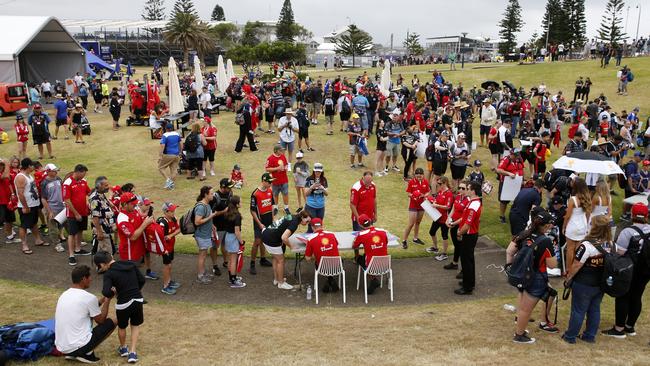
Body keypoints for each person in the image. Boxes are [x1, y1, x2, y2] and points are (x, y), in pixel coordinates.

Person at [506, 209, 558, 344]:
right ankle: (519, 335)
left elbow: (509, 251)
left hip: (522, 274)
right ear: (546, 226)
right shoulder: (546, 241)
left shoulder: (524, 234)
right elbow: (552, 265)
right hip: (536, 277)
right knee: (526, 309)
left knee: (523, 306)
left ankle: (520, 329)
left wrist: (510, 267)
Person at [601, 203, 650, 338]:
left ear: (632, 214)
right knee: (637, 296)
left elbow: (620, 252)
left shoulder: (627, 231)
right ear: (646, 216)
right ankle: (630, 326)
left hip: (629, 268)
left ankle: (619, 329)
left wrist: (611, 245)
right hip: (646, 270)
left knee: (623, 295)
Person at [562, 215, 610, 344]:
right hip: (600, 284)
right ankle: (589, 336)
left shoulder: (587, 245)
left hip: (583, 283)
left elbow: (576, 265)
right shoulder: (611, 244)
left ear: (594, 227)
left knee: (578, 310)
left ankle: (570, 336)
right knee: (595, 309)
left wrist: (568, 278)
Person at [54, 265, 116, 363]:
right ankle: (86, 353)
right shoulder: (88, 298)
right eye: (89, 277)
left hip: (62, 347)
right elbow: (101, 321)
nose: (91, 279)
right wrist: (108, 300)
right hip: (77, 346)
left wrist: (103, 299)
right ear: (83, 279)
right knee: (114, 320)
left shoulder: (64, 294)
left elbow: (89, 307)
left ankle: (74, 354)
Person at [94, 251, 145, 363]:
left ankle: (123, 348)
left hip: (123, 303)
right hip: (137, 299)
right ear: (111, 257)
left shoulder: (109, 273)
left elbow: (106, 292)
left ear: (102, 264)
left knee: (122, 326)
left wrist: (114, 292)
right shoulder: (130, 264)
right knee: (135, 325)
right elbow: (142, 280)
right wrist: (136, 290)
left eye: (99, 266)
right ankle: (133, 352)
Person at [260, 210, 311, 290]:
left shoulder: (291, 216)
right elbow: (284, 238)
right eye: (307, 221)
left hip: (265, 234)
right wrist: (292, 246)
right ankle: (281, 283)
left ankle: (276, 279)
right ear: (302, 217)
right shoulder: (294, 223)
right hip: (271, 239)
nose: (307, 223)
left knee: (275, 258)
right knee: (281, 260)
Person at [455, 181, 483, 295]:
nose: (465, 190)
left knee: (467, 261)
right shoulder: (472, 202)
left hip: (469, 235)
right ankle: (469, 281)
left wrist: (459, 233)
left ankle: (468, 287)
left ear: (473, 191)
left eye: (468, 188)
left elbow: (467, 224)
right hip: (469, 234)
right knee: (468, 259)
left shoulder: (473, 205)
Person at [14, 158, 47, 255]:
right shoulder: (21, 177)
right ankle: (24, 245)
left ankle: (38, 240)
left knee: (34, 223)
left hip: (33, 204)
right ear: (28, 166)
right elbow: (20, 194)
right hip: (26, 205)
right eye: (32, 165)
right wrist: (25, 206)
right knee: (24, 225)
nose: (34, 167)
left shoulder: (28, 176)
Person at [353, 214, 388, 294]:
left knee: (358, 258)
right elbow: (386, 243)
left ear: (360, 224)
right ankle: (374, 280)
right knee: (368, 256)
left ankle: (373, 279)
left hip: (371, 264)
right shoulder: (382, 232)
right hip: (385, 264)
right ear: (370, 221)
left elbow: (354, 246)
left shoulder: (361, 234)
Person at [63, 164, 91, 266]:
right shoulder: (68, 183)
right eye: (83, 173)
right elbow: (67, 200)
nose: (84, 176)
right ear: (78, 172)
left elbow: (88, 192)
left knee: (80, 230)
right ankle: (71, 255)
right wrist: (76, 213)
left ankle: (78, 249)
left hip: (83, 211)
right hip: (72, 214)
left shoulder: (83, 181)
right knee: (72, 233)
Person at [562, 177, 591, 271]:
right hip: (582, 226)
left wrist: (564, 226)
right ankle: (576, 269)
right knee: (578, 249)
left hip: (572, 226)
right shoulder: (587, 197)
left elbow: (568, 216)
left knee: (570, 249)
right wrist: (586, 225)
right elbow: (588, 214)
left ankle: (568, 270)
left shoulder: (573, 199)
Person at [305, 218, 340, 292]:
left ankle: (329, 280)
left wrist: (316, 253)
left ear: (312, 227)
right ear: (322, 225)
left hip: (321, 268)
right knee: (332, 261)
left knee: (320, 262)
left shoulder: (310, 239)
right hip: (337, 266)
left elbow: (307, 258)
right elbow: (336, 245)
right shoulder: (331, 234)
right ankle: (330, 279)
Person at [249, 173, 275, 274]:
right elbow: (252, 210)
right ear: (264, 181)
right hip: (259, 221)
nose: (271, 183)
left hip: (268, 220)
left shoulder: (270, 191)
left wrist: (272, 219)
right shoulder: (255, 194)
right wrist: (259, 224)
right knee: (257, 241)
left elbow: (272, 205)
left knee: (264, 240)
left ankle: (263, 259)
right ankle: (252, 263)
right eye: (269, 182)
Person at [116, 192, 152, 263]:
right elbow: (133, 237)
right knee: (130, 273)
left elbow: (140, 222)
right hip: (129, 254)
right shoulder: (122, 219)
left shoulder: (133, 211)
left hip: (136, 250)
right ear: (125, 204)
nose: (135, 205)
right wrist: (145, 224)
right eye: (132, 203)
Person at [194, 186, 219, 284]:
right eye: (211, 193)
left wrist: (212, 225)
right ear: (205, 194)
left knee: (204, 255)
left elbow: (205, 218)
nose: (213, 195)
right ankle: (200, 276)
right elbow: (197, 222)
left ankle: (203, 273)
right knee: (202, 255)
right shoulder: (201, 207)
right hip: (202, 235)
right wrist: (211, 216)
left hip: (206, 234)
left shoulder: (207, 204)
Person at [442, 180, 470, 271]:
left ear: (467, 189)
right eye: (459, 188)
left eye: (463, 188)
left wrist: (453, 223)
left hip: (460, 226)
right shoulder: (458, 196)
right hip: (453, 223)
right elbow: (453, 209)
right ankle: (454, 263)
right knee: (457, 245)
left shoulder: (468, 200)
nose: (460, 190)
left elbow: (464, 217)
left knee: (462, 247)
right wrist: (448, 219)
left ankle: (464, 269)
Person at [401, 168, 430, 249]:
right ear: (415, 175)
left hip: (422, 205)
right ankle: (404, 240)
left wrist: (424, 195)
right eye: (417, 174)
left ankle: (415, 238)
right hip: (413, 205)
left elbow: (428, 191)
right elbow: (408, 193)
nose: (419, 176)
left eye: (420, 174)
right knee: (411, 224)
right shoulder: (411, 182)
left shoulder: (425, 182)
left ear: (423, 175)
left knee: (418, 222)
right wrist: (414, 195)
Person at [40, 163, 66, 252]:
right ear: (48, 171)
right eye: (54, 170)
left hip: (61, 206)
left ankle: (71, 239)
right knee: (53, 227)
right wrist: (49, 211)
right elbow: (43, 199)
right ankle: (57, 244)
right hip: (51, 208)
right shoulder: (44, 183)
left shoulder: (59, 179)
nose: (56, 172)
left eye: (56, 170)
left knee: (65, 224)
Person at [222, 195, 246, 288]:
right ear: (236, 204)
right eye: (240, 201)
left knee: (231, 259)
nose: (241, 203)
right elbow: (237, 231)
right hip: (233, 238)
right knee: (233, 260)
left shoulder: (228, 212)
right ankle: (233, 280)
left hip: (228, 236)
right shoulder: (237, 216)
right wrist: (241, 241)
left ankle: (232, 277)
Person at [495, 149, 525, 224]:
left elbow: (522, 169)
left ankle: (515, 215)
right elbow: (498, 170)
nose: (517, 157)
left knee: (517, 200)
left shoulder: (519, 159)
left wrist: (522, 179)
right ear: (511, 155)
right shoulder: (506, 160)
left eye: (518, 155)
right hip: (506, 183)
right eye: (515, 156)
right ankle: (502, 216)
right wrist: (508, 173)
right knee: (504, 200)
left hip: (517, 183)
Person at [89, 176, 115, 255]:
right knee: (106, 253)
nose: (108, 187)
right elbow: (95, 217)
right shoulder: (95, 199)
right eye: (106, 185)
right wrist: (99, 232)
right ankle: (104, 267)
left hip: (106, 228)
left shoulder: (101, 194)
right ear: (99, 186)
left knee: (103, 250)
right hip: (102, 230)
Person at [428, 176, 454, 259]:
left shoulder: (449, 193)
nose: (438, 185)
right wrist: (434, 202)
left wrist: (437, 205)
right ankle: (435, 248)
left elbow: (448, 206)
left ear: (445, 183)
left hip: (444, 219)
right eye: (438, 183)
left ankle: (444, 253)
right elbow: (437, 200)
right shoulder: (440, 191)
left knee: (444, 235)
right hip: (437, 217)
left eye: (440, 183)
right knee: (432, 232)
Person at [265, 144, 290, 216]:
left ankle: (286, 208)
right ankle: (275, 207)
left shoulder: (283, 156)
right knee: (275, 194)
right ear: (276, 151)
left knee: (285, 194)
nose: (282, 151)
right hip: (275, 180)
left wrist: (285, 167)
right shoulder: (270, 158)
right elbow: (267, 169)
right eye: (281, 150)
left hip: (284, 180)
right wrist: (277, 168)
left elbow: (286, 164)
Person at [304, 163, 328, 233]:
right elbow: (306, 194)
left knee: (319, 225)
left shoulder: (324, 180)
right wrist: (311, 187)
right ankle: (309, 240)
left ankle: (318, 240)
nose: (318, 173)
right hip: (311, 206)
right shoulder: (309, 179)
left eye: (319, 171)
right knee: (312, 225)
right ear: (314, 171)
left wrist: (323, 188)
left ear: (322, 171)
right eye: (316, 171)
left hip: (321, 206)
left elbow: (327, 194)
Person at [159, 123, 183, 190]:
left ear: (166, 128)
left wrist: (160, 155)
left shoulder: (165, 135)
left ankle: (168, 180)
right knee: (174, 170)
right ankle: (171, 186)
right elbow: (181, 143)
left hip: (168, 154)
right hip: (176, 154)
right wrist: (180, 152)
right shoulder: (177, 134)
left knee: (160, 168)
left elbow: (162, 145)